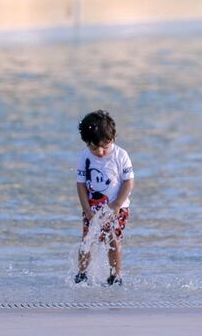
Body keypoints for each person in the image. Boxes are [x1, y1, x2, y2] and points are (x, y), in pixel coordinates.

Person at [73, 110, 135, 286]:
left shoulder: (121, 155)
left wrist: (117, 204)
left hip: (118, 208)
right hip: (92, 208)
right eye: (94, 147)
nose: (100, 152)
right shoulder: (85, 157)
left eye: (105, 146)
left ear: (113, 137)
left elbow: (129, 182)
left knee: (113, 239)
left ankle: (115, 275)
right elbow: (81, 185)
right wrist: (87, 210)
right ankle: (81, 273)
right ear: (86, 143)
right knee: (87, 240)